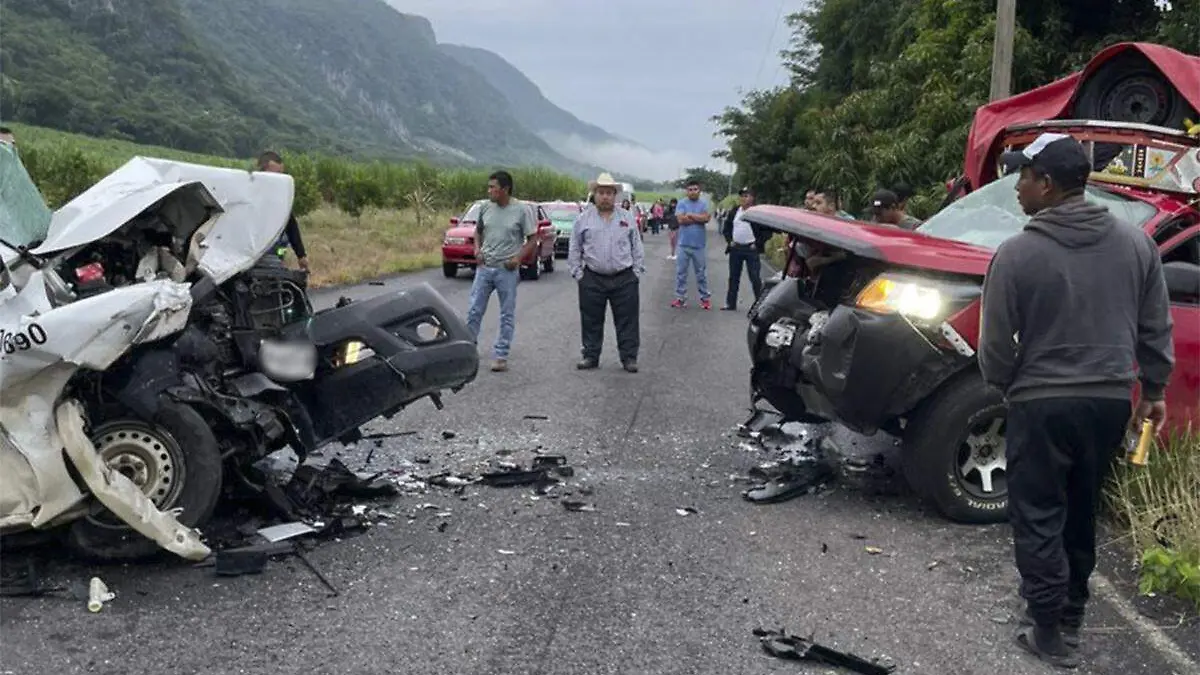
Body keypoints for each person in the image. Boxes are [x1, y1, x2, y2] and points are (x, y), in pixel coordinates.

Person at [979, 133, 1175, 669]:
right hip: (1110, 400)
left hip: (1042, 401)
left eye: (1023, 177)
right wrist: (1153, 390)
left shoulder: (1016, 253)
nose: (1017, 187)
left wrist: (1007, 384)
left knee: (1039, 511)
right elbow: (1156, 326)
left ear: (1046, 185)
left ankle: (1045, 629)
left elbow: (994, 344)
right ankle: (1070, 615)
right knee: (1081, 508)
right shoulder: (1138, 245)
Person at [567, 173, 645, 373]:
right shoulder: (583, 219)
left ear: (615, 195)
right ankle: (591, 356)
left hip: (624, 277)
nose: (605, 197)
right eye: (601, 193)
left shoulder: (626, 218)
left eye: (609, 193)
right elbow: (575, 247)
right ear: (594, 195)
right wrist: (578, 273)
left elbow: (636, 245)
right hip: (592, 277)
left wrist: (636, 271)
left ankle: (629, 357)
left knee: (627, 319)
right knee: (591, 319)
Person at [465, 170, 537, 373]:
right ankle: (469, 350)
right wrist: (477, 250)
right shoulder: (485, 207)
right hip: (485, 267)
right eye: (488, 187)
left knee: (506, 314)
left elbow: (532, 239)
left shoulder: (521, 210)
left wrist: (518, 258)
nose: (489, 191)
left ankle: (501, 355)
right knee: (474, 311)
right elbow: (478, 231)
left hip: (507, 270)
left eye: (492, 187)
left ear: (505, 189)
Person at [258, 151, 310, 272]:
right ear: (262, 171)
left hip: (275, 260)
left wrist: (301, 255)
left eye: (281, 174)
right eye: (276, 174)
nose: (279, 179)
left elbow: (291, 225)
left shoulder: (279, 198)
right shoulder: (247, 193)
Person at [720, 187, 768, 311]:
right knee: (733, 277)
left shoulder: (758, 213)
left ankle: (760, 305)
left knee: (755, 277)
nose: (743, 198)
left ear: (752, 198)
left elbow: (767, 231)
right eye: (742, 196)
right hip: (736, 247)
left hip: (751, 249)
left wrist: (757, 243)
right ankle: (730, 303)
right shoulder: (735, 211)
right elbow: (727, 227)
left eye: (747, 196)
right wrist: (730, 241)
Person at [671, 179, 712, 310]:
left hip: (699, 245)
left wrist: (690, 215)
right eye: (690, 189)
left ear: (699, 190)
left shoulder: (704, 203)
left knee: (701, 273)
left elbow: (706, 218)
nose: (693, 192)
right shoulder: (682, 203)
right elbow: (681, 220)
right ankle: (680, 298)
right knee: (681, 273)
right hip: (683, 244)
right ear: (686, 191)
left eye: (695, 189)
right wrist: (697, 218)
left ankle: (705, 299)